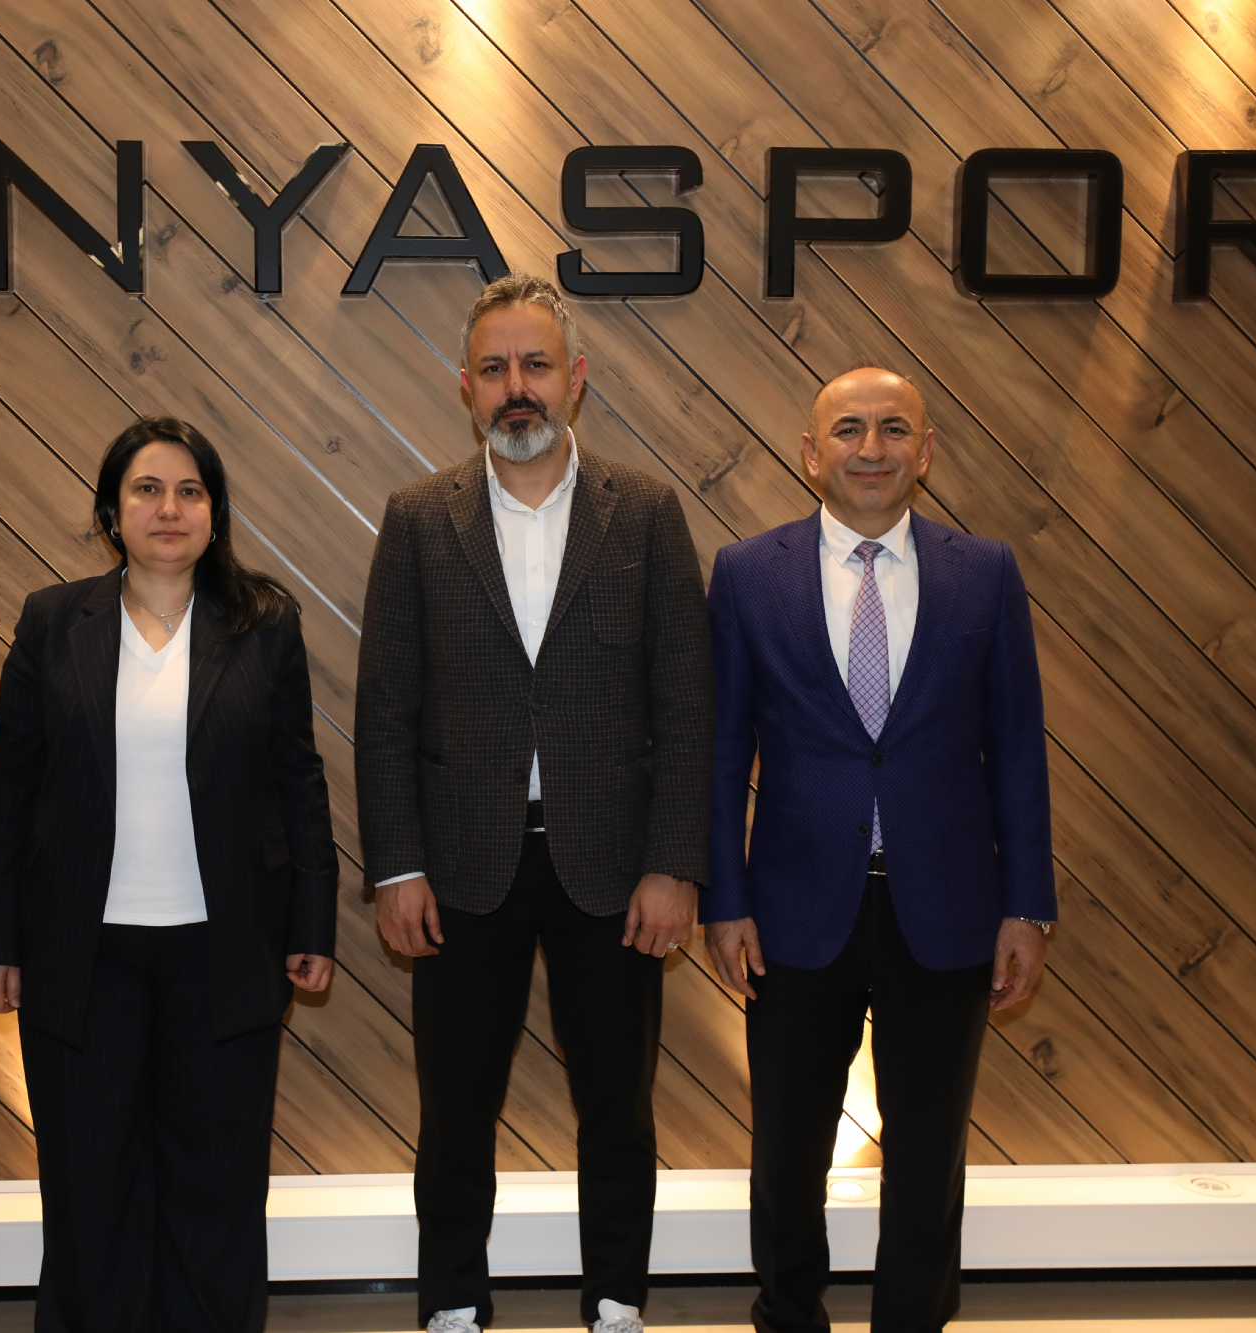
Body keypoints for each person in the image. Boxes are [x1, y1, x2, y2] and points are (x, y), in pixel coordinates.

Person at [356, 274, 713, 1333]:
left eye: (536, 365)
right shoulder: (417, 519)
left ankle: (616, 1301)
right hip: (461, 868)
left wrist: (674, 863)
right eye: (495, 368)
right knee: (454, 1110)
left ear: (576, 378)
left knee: (617, 1107)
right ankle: (452, 1306)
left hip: (614, 869)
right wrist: (395, 866)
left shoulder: (643, 512)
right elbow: (385, 710)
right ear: (465, 387)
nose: (518, 386)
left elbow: (685, 704)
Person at [0, 415, 337, 1333]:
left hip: (227, 951)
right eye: (147, 489)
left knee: (218, 1189)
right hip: (81, 957)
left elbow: (298, 781)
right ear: (111, 512)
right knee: (90, 1188)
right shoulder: (55, 620)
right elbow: (8, 785)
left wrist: (312, 925)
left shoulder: (265, 624)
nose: (170, 508)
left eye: (190, 491)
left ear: (215, 513)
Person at [703, 366, 1056, 1332]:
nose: (871, 448)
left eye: (894, 428)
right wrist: (723, 899)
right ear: (810, 453)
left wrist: (1027, 904)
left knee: (929, 1153)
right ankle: (788, 1316)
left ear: (925, 451)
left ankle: (912, 1321)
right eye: (849, 429)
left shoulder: (984, 573)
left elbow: (1016, 748)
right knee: (786, 1150)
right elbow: (721, 751)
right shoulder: (747, 574)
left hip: (946, 910)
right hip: (791, 913)